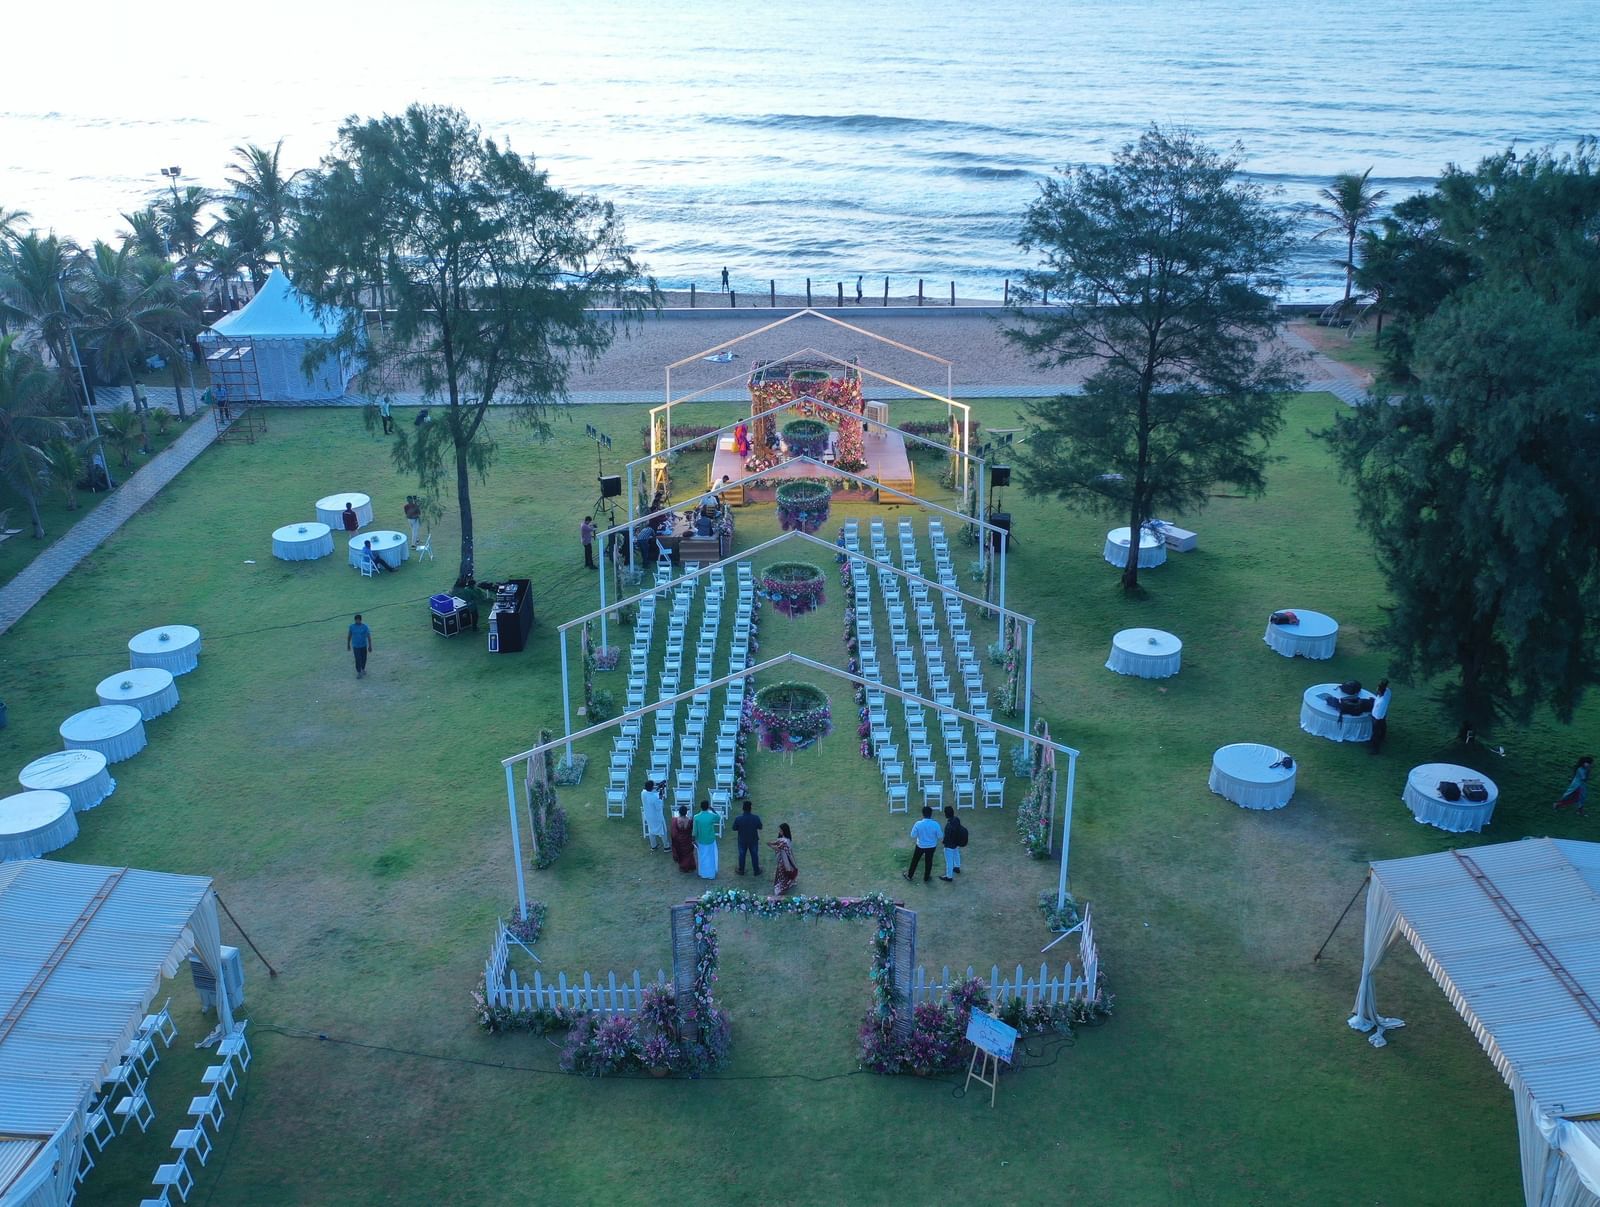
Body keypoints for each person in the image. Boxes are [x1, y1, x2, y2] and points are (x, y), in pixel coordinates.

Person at [904, 806, 942, 883]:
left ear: (923, 814)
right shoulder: (935, 824)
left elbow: (913, 835)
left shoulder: (918, 824)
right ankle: (926, 877)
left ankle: (910, 875)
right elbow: (940, 836)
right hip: (931, 846)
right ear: (931, 814)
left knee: (915, 860)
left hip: (920, 845)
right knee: (929, 861)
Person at [731, 799, 763, 875]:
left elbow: (734, 828)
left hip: (742, 840)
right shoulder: (756, 818)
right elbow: (760, 826)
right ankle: (756, 870)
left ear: (743, 808)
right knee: (754, 855)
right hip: (753, 839)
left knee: (742, 855)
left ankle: (741, 870)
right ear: (750, 808)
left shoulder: (738, 818)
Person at [769, 823, 798, 896]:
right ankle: (789, 882)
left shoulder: (783, 841)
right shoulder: (787, 840)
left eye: (780, 830)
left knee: (782, 874)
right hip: (785, 860)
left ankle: (781, 888)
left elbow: (778, 848)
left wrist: (770, 845)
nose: (779, 832)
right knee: (786, 873)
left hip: (783, 861)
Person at [939, 805, 967, 881]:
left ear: (946, 814)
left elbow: (947, 838)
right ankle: (957, 867)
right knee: (956, 853)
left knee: (949, 861)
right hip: (957, 842)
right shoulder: (956, 819)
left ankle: (949, 876)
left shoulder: (948, 826)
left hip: (949, 845)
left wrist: (943, 842)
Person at [693, 800, 720, 879]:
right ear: (708, 806)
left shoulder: (696, 817)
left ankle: (702, 873)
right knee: (711, 856)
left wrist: (693, 839)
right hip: (710, 839)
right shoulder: (711, 816)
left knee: (702, 857)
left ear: (701, 807)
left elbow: (694, 831)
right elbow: (718, 818)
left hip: (701, 840)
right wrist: (713, 810)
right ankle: (711, 874)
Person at [670, 804, 697, 871]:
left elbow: (673, 833)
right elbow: (691, 830)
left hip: (679, 840)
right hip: (687, 840)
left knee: (681, 853)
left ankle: (683, 866)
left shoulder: (675, 820)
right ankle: (690, 866)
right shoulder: (690, 821)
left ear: (679, 812)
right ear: (686, 812)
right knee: (688, 853)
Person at [641, 780, 667, 850]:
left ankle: (653, 846)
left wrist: (658, 787)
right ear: (652, 787)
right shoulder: (654, 798)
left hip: (648, 815)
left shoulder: (643, 793)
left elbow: (649, 790)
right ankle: (666, 846)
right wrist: (661, 794)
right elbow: (659, 807)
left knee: (651, 830)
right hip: (656, 816)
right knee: (662, 830)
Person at [1369, 679, 1392, 754]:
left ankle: (1375, 749)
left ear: (1380, 692)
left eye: (1377, 690)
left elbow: (1377, 713)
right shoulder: (1387, 692)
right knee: (1383, 727)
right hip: (1382, 715)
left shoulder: (1382, 702)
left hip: (1377, 718)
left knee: (1375, 734)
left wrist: (1374, 719)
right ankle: (1382, 737)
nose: (1376, 690)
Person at [347, 613, 372, 678]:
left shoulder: (365, 627)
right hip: (356, 646)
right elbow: (349, 635)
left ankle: (363, 669)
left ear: (361, 620)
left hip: (363, 645)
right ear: (355, 620)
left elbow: (368, 636)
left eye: (358, 620)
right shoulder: (351, 627)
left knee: (364, 658)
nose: (357, 621)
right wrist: (348, 644)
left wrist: (370, 646)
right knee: (357, 659)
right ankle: (358, 672)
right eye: (356, 620)